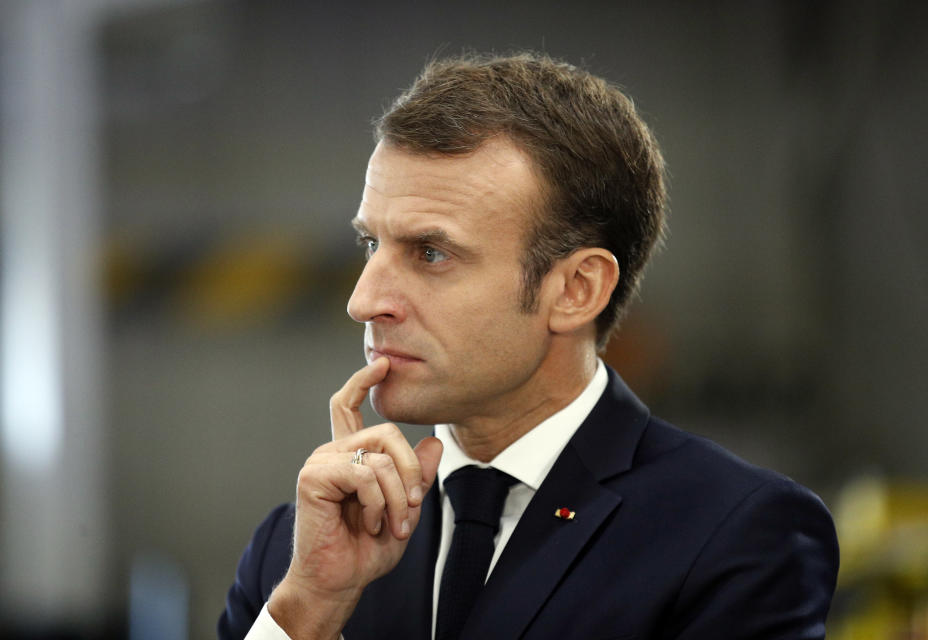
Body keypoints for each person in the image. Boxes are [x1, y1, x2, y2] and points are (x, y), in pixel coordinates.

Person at [218, 52, 839, 640]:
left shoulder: (735, 535)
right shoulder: (299, 553)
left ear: (575, 289)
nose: (363, 301)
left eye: (431, 253)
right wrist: (310, 608)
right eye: (371, 245)